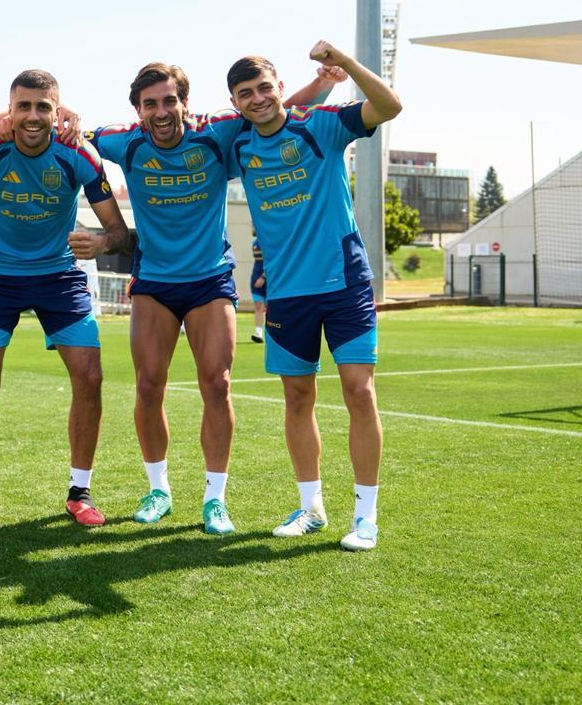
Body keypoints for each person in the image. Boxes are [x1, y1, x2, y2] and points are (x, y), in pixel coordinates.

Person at [88, 64, 336, 533]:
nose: (161, 112)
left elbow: (271, 111)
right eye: (150, 104)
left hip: (209, 280)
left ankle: (214, 499)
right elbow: (64, 134)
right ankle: (158, 489)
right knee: (147, 386)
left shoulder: (216, 132)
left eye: (169, 101)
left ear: (184, 101)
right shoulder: (124, 142)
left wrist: (323, 83)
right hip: (154, 282)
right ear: (137, 110)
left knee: (217, 385)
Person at [225, 40, 402, 551]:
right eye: (245, 94)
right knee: (297, 398)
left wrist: (343, 65)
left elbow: (390, 107)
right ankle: (311, 508)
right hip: (286, 293)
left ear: (281, 88)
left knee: (359, 393)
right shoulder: (237, 145)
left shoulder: (320, 125)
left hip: (344, 282)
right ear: (235, 103)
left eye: (264, 88)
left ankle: (365, 516)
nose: (257, 99)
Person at [0, 70, 128, 526]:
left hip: (58, 278)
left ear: (58, 112)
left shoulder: (79, 155)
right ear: (10, 111)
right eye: (24, 107)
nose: (33, 117)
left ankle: (80, 491)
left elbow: (119, 232)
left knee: (90, 377)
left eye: (43, 107)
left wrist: (103, 243)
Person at [250, 230, 267, 344]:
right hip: (255, 276)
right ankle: (258, 333)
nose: (252, 227)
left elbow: (272, 261)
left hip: (269, 278)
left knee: (271, 308)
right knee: (258, 305)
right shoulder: (254, 242)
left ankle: (272, 334)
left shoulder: (268, 241)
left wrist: (263, 277)